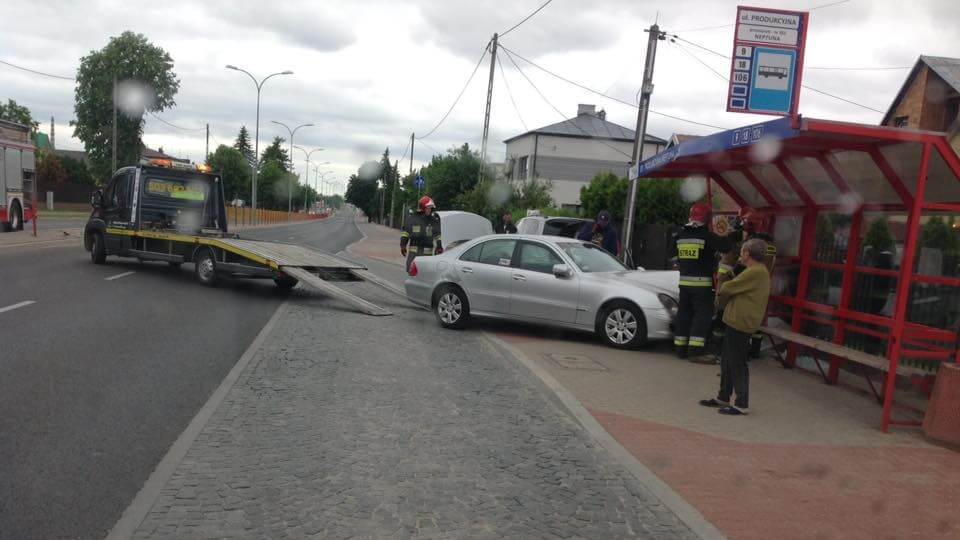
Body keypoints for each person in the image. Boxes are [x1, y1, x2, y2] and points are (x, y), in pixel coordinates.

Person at [699, 238, 772, 415]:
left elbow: (727, 288)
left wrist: (725, 282)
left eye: (742, 252)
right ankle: (723, 396)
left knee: (737, 362)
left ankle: (741, 403)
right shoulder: (754, 270)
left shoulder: (755, 272)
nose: (740, 255)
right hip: (736, 320)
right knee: (727, 360)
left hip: (741, 322)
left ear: (748, 254)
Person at [672, 202, 733, 361]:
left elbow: (673, 255)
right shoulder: (707, 236)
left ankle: (680, 349)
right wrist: (727, 232)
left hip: (684, 283)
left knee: (684, 314)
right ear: (707, 219)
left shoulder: (680, 234)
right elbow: (726, 247)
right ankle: (695, 351)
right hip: (701, 285)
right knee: (702, 316)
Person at [716, 208, 777, 358]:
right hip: (760, 286)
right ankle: (754, 350)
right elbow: (770, 262)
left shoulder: (753, 244)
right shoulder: (770, 245)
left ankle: (723, 350)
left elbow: (742, 263)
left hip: (745, 282)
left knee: (732, 317)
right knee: (756, 320)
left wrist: (732, 275)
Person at [400, 196, 443, 273]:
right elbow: (405, 233)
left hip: (427, 254)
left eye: (431, 208)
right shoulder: (412, 219)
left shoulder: (433, 220)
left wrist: (439, 246)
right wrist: (403, 245)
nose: (430, 210)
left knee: (425, 273)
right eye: (428, 208)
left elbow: (438, 235)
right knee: (411, 271)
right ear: (423, 208)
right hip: (414, 253)